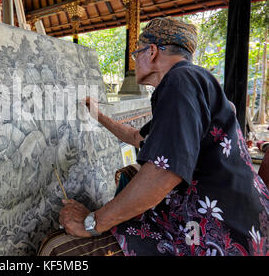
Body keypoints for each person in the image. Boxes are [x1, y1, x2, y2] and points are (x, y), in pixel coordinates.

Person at [39, 17, 269, 256]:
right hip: (243, 221)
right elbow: (139, 137)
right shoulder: (191, 81)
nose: (135, 61)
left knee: (59, 251)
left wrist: (92, 222)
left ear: (150, 52)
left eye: (135, 54)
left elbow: (162, 173)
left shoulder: (181, 80)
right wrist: (99, 115)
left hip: (219, 234)